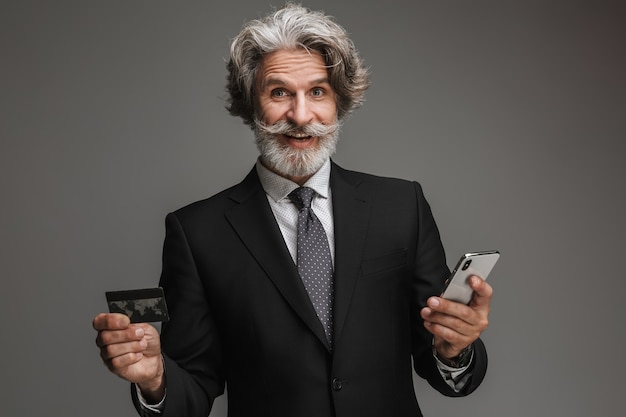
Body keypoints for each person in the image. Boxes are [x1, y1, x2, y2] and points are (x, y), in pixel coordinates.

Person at [93, 3, 493, 417]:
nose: (301, 117)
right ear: (251, 104)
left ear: (340, 101)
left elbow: (439, 360)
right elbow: (192, 389)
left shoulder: (401, 207)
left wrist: (454, 349)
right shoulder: (197, 234)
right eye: (279, 92)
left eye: (317, 92)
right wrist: (156, 378)